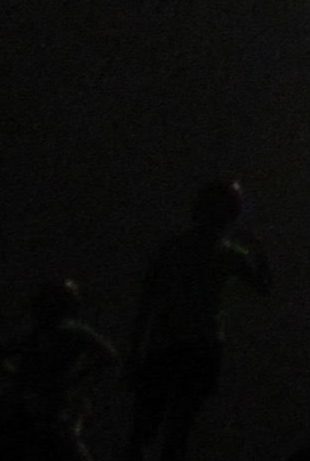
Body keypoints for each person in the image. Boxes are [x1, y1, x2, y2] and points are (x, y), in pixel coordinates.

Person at [124, 180, 271, 461]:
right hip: (193, 347)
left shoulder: (178, 248)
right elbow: (263, 286)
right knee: (171, 428)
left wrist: (136, 351)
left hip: (176, 346)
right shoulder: (220, 252)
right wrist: (259, 250)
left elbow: (147, 303)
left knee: (154, 428)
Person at [0, 280, 116, 461]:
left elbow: (108, 356)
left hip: (55, 402)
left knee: (65, 443)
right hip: (28, 399)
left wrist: (75, 378)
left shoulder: (74, 332)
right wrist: (20, 377)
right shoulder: (38, 332)